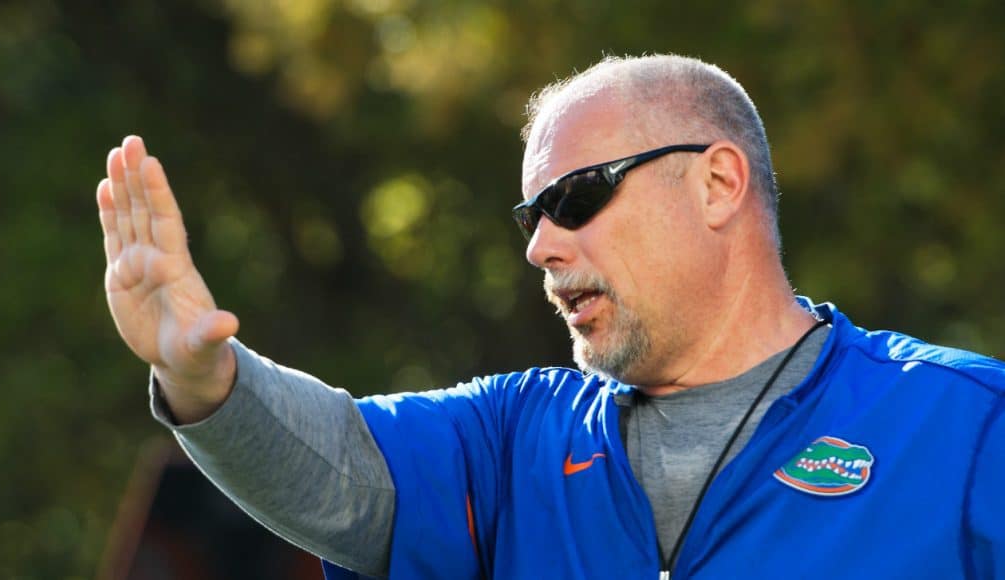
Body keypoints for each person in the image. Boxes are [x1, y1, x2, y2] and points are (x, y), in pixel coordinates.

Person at [98, 54, 1005, 579]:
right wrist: (203, 379)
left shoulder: (964, 425)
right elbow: (335, 467)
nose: (539, 247)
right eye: (532, 218)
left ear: (718, 183)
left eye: (575, 198)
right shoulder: (509, 437)